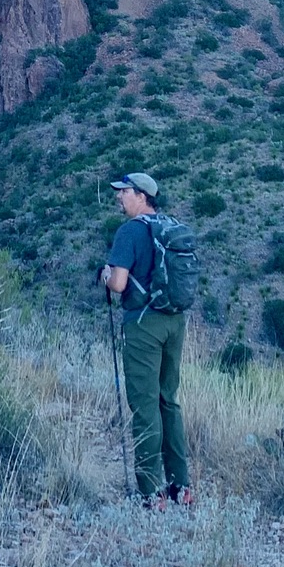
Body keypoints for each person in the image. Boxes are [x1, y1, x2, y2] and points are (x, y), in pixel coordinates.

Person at [99, 171, 192, 505]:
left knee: (144, 404)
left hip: (142, 325)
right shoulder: (170, 227)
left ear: (141, 195)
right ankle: (181, 486)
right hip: (174, 322)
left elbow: (119, 284)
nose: (119, 197)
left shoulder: (129, 231)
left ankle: (151, 491)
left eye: (124, 192)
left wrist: (105, 275)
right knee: (169, 400)